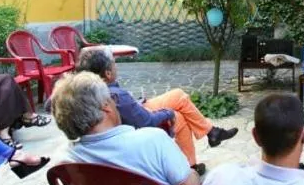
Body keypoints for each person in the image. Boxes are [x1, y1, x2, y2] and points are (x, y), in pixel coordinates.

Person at [52, 71, 200, 185]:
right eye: (112, 99)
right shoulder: (153, 139)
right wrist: (193, 173)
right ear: (106, 107)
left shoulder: (65, 159)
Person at [76, 46, 237, 175]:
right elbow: (147, 121)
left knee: (181, 117)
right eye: (114, 65)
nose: (116, 67)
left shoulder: (88, 93)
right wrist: (168, 113)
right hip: (141, 122)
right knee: (179, 99)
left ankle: (192, 165)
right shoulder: (116, 97)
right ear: (108, 73)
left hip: (136, 111)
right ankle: (211, 132)